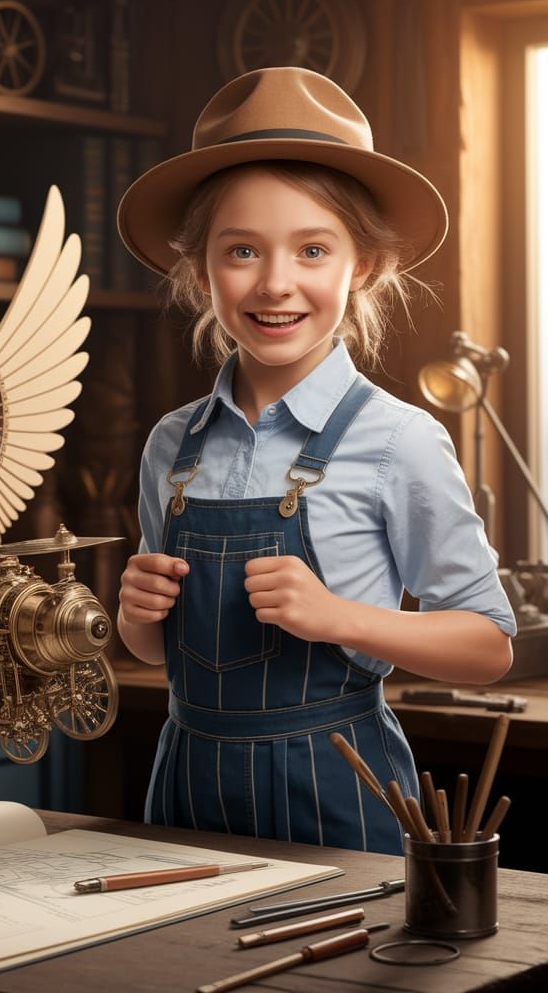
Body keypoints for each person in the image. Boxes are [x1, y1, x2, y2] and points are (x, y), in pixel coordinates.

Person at [115, 67, 516, 855]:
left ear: (360, 265)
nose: (275, 283)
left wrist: (340, 619)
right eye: (241, 251)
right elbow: (163, 652)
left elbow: (490, 643)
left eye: (311, 249)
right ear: (200, 270)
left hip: (342, 793)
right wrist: (136, 616)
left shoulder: (399, 440)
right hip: (186, 792)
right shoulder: (172, 445)